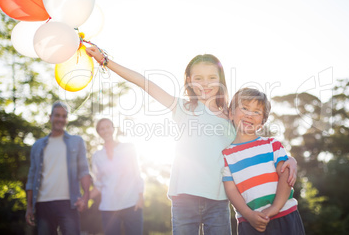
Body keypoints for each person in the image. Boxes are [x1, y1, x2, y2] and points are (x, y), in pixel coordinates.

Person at [86, 47, 297, 235]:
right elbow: (144, 82)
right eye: (198, 78)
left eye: (211, 77)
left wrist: (291, 160)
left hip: (219, 200)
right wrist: (105, 61)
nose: (205, 84)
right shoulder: (183, 108)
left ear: (221, 80)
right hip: (183, 199)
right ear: (188, 80)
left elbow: (255, 144)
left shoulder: (231, 116)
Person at [223, 88, 305, 234]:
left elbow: (286, 175)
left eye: (257, 112)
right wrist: (249, 215)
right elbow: (231, 190)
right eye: (245, 108)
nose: (249, 115)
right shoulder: (226, 155)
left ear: (262, 122)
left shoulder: (272, 145)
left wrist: (274, 208)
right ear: (230, 113)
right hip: (251, 222)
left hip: (285, 214)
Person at [25, 101, 91, 235]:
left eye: (64, 116)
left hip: (69, 203)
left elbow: (84, 170)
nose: (60, 119)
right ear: (50, 117)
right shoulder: (37, 145)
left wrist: (86, 196)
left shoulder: (76, 141)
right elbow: (31, 177)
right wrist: (29, 207)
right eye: (57, 115)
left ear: (66, 119)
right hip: (43, 204)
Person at [90, 118, 144, 235]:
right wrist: (84, 199)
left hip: (131, 204)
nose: (106, 131)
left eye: (108, 127)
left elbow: (137, 172)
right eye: (102, 128)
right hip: (108, 208)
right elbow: (98, 184)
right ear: (98, 132)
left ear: (113, 129)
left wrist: (140, 196)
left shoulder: (128, 148)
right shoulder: (97, 156)